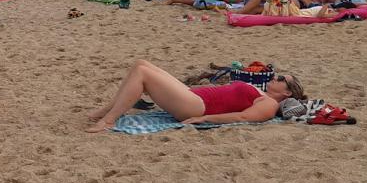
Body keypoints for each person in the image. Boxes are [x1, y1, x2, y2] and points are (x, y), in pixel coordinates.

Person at [85, 59, 306, 133]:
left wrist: (203, 119)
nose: (275, 77)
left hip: (197, 106)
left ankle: (109, 120)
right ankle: (107, 111)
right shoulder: (262, 93)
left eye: (280, 79)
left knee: (142, 73)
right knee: (141, 64)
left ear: (287, 92)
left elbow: (242, 117)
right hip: (193, 96)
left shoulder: (269, 104)